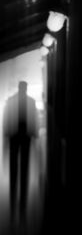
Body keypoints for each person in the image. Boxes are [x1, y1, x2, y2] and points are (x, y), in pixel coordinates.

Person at [3, 81, 38, 224]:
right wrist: (34, 134)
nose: (24, 89)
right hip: (22, 135)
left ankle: (15, 197)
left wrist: (6, 135)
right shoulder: (30, 101)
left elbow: (6, 118)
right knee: (22, 166)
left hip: (17, 135)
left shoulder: (12, 101)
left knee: (17, 166)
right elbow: (34, 118)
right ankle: (21, 201)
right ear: (23, 88)